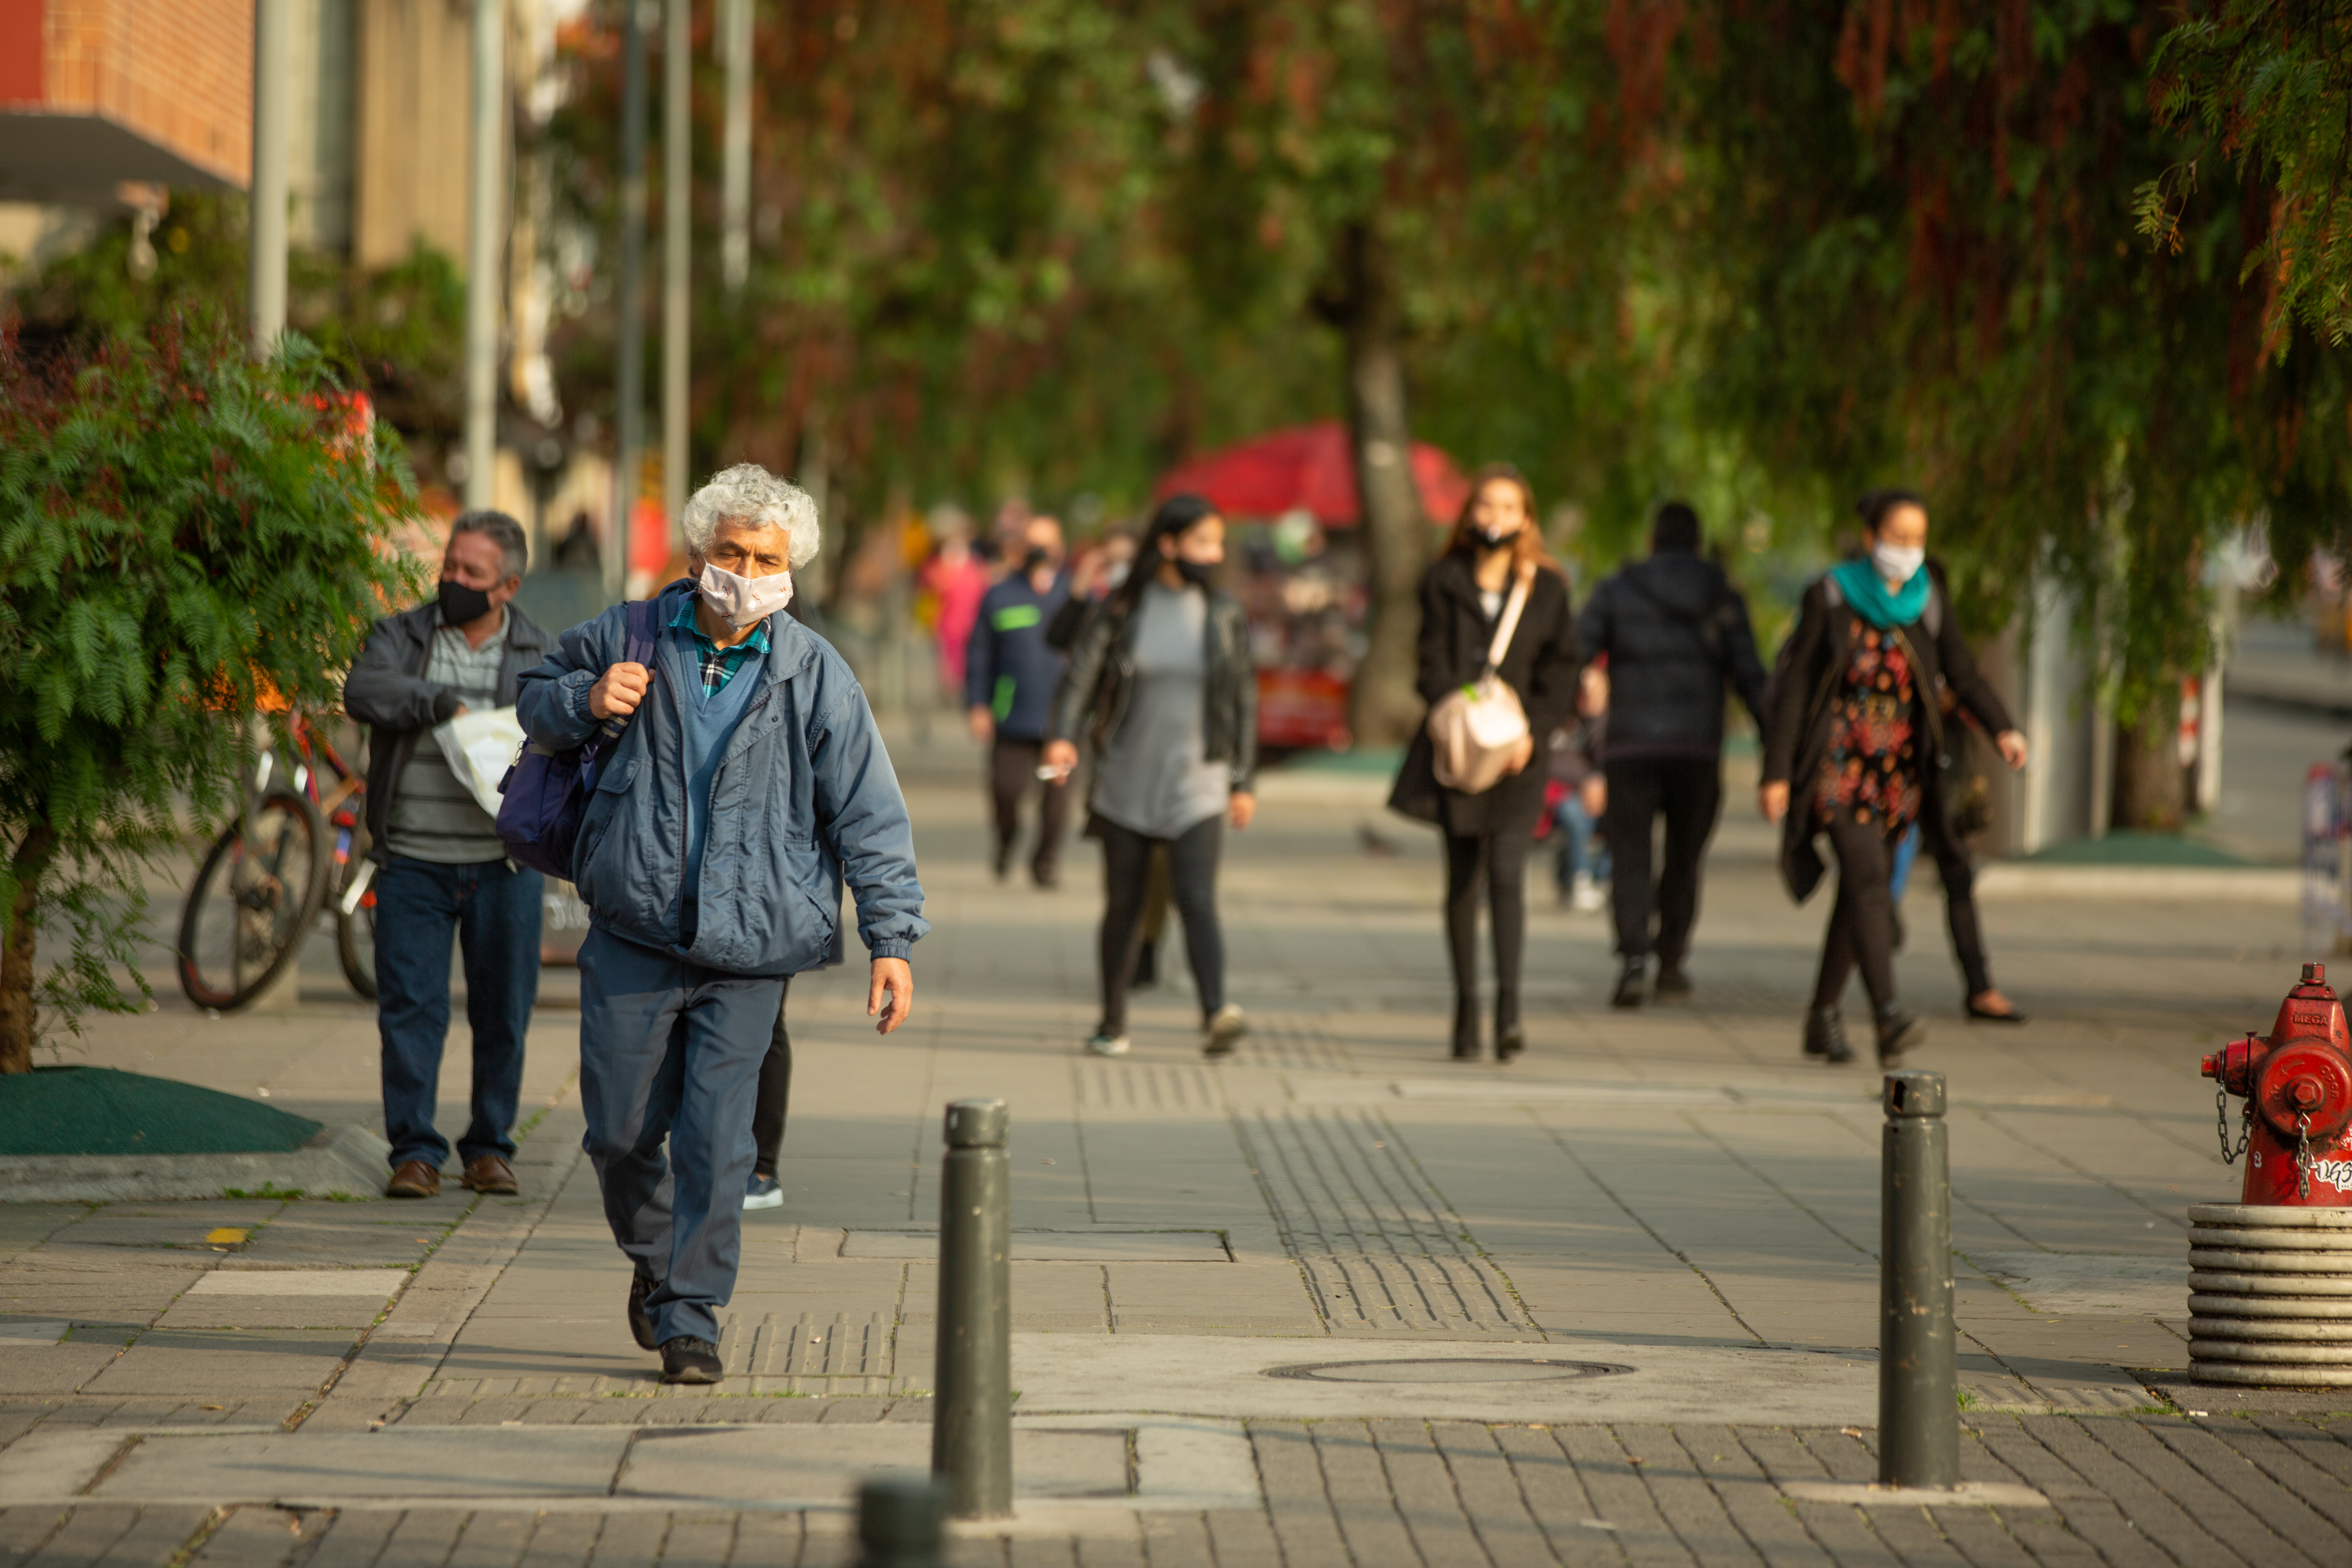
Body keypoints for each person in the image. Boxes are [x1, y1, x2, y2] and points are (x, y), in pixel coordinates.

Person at [517, 464, 927, 1384]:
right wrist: (584, 700)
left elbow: (869, 812)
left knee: (716, 1141)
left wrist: (892, 941)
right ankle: (659, 1260)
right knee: (618, 1134)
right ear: (699, 552)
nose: (747, 573)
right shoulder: (628, 633)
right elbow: (534, 696)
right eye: (733, 553)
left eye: (768, 560)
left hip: (752, 945)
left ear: (791, 570)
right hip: (633, 930)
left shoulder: (813, 671)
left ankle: (691, 1313)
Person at [1761, 488, 2027, 1067]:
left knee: (1863, 891)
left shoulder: (1929, 602)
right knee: (1867, 879)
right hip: (1837, 765)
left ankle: (1822, 1017)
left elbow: (1963, 673)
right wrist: (1777, 773)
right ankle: (1888, 1016)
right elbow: (1797, 688)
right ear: (1870, 538)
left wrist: (2003, 728)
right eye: (1896, 537)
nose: (1906, 550)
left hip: (1898, 775)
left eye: (1917, 539)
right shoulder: (1832, 594)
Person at [344, 511, 554, 1200]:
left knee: (504, 1013)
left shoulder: (541, 650)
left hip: (505, 867)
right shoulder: (402, 636)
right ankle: (414, 1152)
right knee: (410, 1010)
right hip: (412, 860)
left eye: (473, 573)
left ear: (509, 586)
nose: (454, 580)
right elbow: (364, 690)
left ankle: (490, 1148)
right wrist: (439, 703)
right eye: (450, 566)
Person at [1043, 494, 1256, 1058]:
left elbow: (1243, 699)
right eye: (1203, 543)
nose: (1215, 555)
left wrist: (1243, 781)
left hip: (1200, 781)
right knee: (1125, 906)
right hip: (1127, 780)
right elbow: (1081, 677)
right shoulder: (1121, 610)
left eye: (1218, 544)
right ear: (1168, 544)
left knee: (1197, 898)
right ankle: (1112, 1021)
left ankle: (1216, 1014)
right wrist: (1063, 736)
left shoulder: (1225, 614)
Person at [1414, 464, 1581, 1062]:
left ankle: (1509, 1010)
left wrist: (1531, 731)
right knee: (1462, 881)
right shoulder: (1443, 580)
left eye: (1510, 508)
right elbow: (1428, 664)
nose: (1496, 519)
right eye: (1487, 506)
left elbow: (1563, 668)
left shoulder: (1549, 588)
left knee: (1508, 874)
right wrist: (1463, 709)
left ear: (1526, 518)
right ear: (1469, 513)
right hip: (1461, 753)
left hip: (1521, 756)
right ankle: (1467, 1009)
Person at [1575, 501, 1768, 1008]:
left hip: (1631, 745)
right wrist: (1776, 746)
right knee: (1685, 859)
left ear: (1652, 541)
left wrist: (1572, 725)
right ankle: (1672, 960)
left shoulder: (1618, 590)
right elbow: (1750, 675)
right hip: (1696, 748)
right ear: (1698, 545)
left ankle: (1633, 959)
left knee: (1630, 856)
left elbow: (1573, 653)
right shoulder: (1722, 596)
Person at [966, 515, 1073, 886]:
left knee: (1058, 801)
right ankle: (1007, 840)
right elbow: (979, 654)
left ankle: (1045, 862)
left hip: (1063, 719)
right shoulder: (1000, 595)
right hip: (1012, 716)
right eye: (1033, 543)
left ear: (1061, 547)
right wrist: (977, 704)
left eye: (1048, 543)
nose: (1041, 551)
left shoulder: (1075, 596)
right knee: (1007, 791)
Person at [1550, 663, 1611, 912]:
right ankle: (1580, 878)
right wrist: (1585, 781)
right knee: (1574, 812)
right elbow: (1553, 762)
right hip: (1560, 796)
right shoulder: (1562, 722)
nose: (1588, 697)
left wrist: (1600, 782)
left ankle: (1603, 878)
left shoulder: (1610, 724)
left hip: (1601, 798)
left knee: (1626, 812)